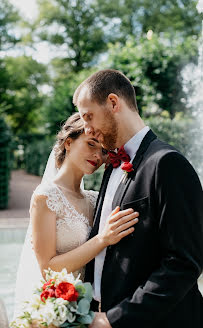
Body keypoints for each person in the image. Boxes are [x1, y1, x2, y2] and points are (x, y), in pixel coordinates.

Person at [73, 69, 203, 328]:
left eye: (89, 117)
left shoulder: (168, 164)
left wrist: (115, 318)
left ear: (113, 103)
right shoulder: (111, 166)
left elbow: (185, 263)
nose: (87, 129)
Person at [13, 113, 139, 318]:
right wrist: (102, 239)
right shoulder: (46, 196)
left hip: (88, 308)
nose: (98, 156)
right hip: (57, 309)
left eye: (104, 150)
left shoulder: (95, 198)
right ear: (68, 143)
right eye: (91, 144)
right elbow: (47, 269)